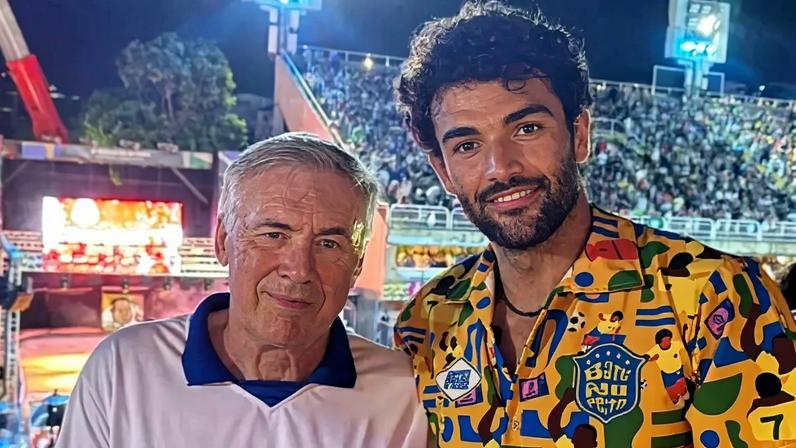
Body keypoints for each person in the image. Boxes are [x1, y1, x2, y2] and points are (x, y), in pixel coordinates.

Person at [392, 2, 796, 447]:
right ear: (444, 171)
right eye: (467, 144)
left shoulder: (714, 298)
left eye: (527, 128)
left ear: (580, 134)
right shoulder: (427, 320)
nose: (500, 167)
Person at [59, 133, 428, 447]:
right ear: (223, 241)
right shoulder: (123, 368)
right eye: (273, 235)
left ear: (358, 263)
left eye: (329, 244)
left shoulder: (403, 394)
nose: (298, 270)